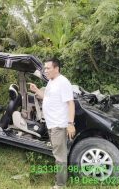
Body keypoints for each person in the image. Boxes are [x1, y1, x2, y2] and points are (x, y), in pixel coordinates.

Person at [29, 58, 75, 189]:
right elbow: (47, 98)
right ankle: (61, 181)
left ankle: (60, 185)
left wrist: (70, 123)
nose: (45, 71)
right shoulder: (51, 82)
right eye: (45, 68)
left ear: (56, 68)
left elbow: (70, 103)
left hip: (59, 125)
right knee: (57, 154)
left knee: (60, 156)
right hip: (51, 124)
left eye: (48, 68)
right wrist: (37, 90)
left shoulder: (63, 82)